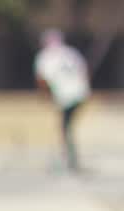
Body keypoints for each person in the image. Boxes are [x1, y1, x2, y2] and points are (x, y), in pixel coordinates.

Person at [34, 28, 91, 173]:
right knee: (67, 126)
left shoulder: (45, 56)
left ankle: (70, 159)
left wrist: (46, 95)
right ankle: (69, 157)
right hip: (80, 93)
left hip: (65, 95)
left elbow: (41, 79)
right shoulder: (71, 52)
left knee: (65, 127)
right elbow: (83, 70)